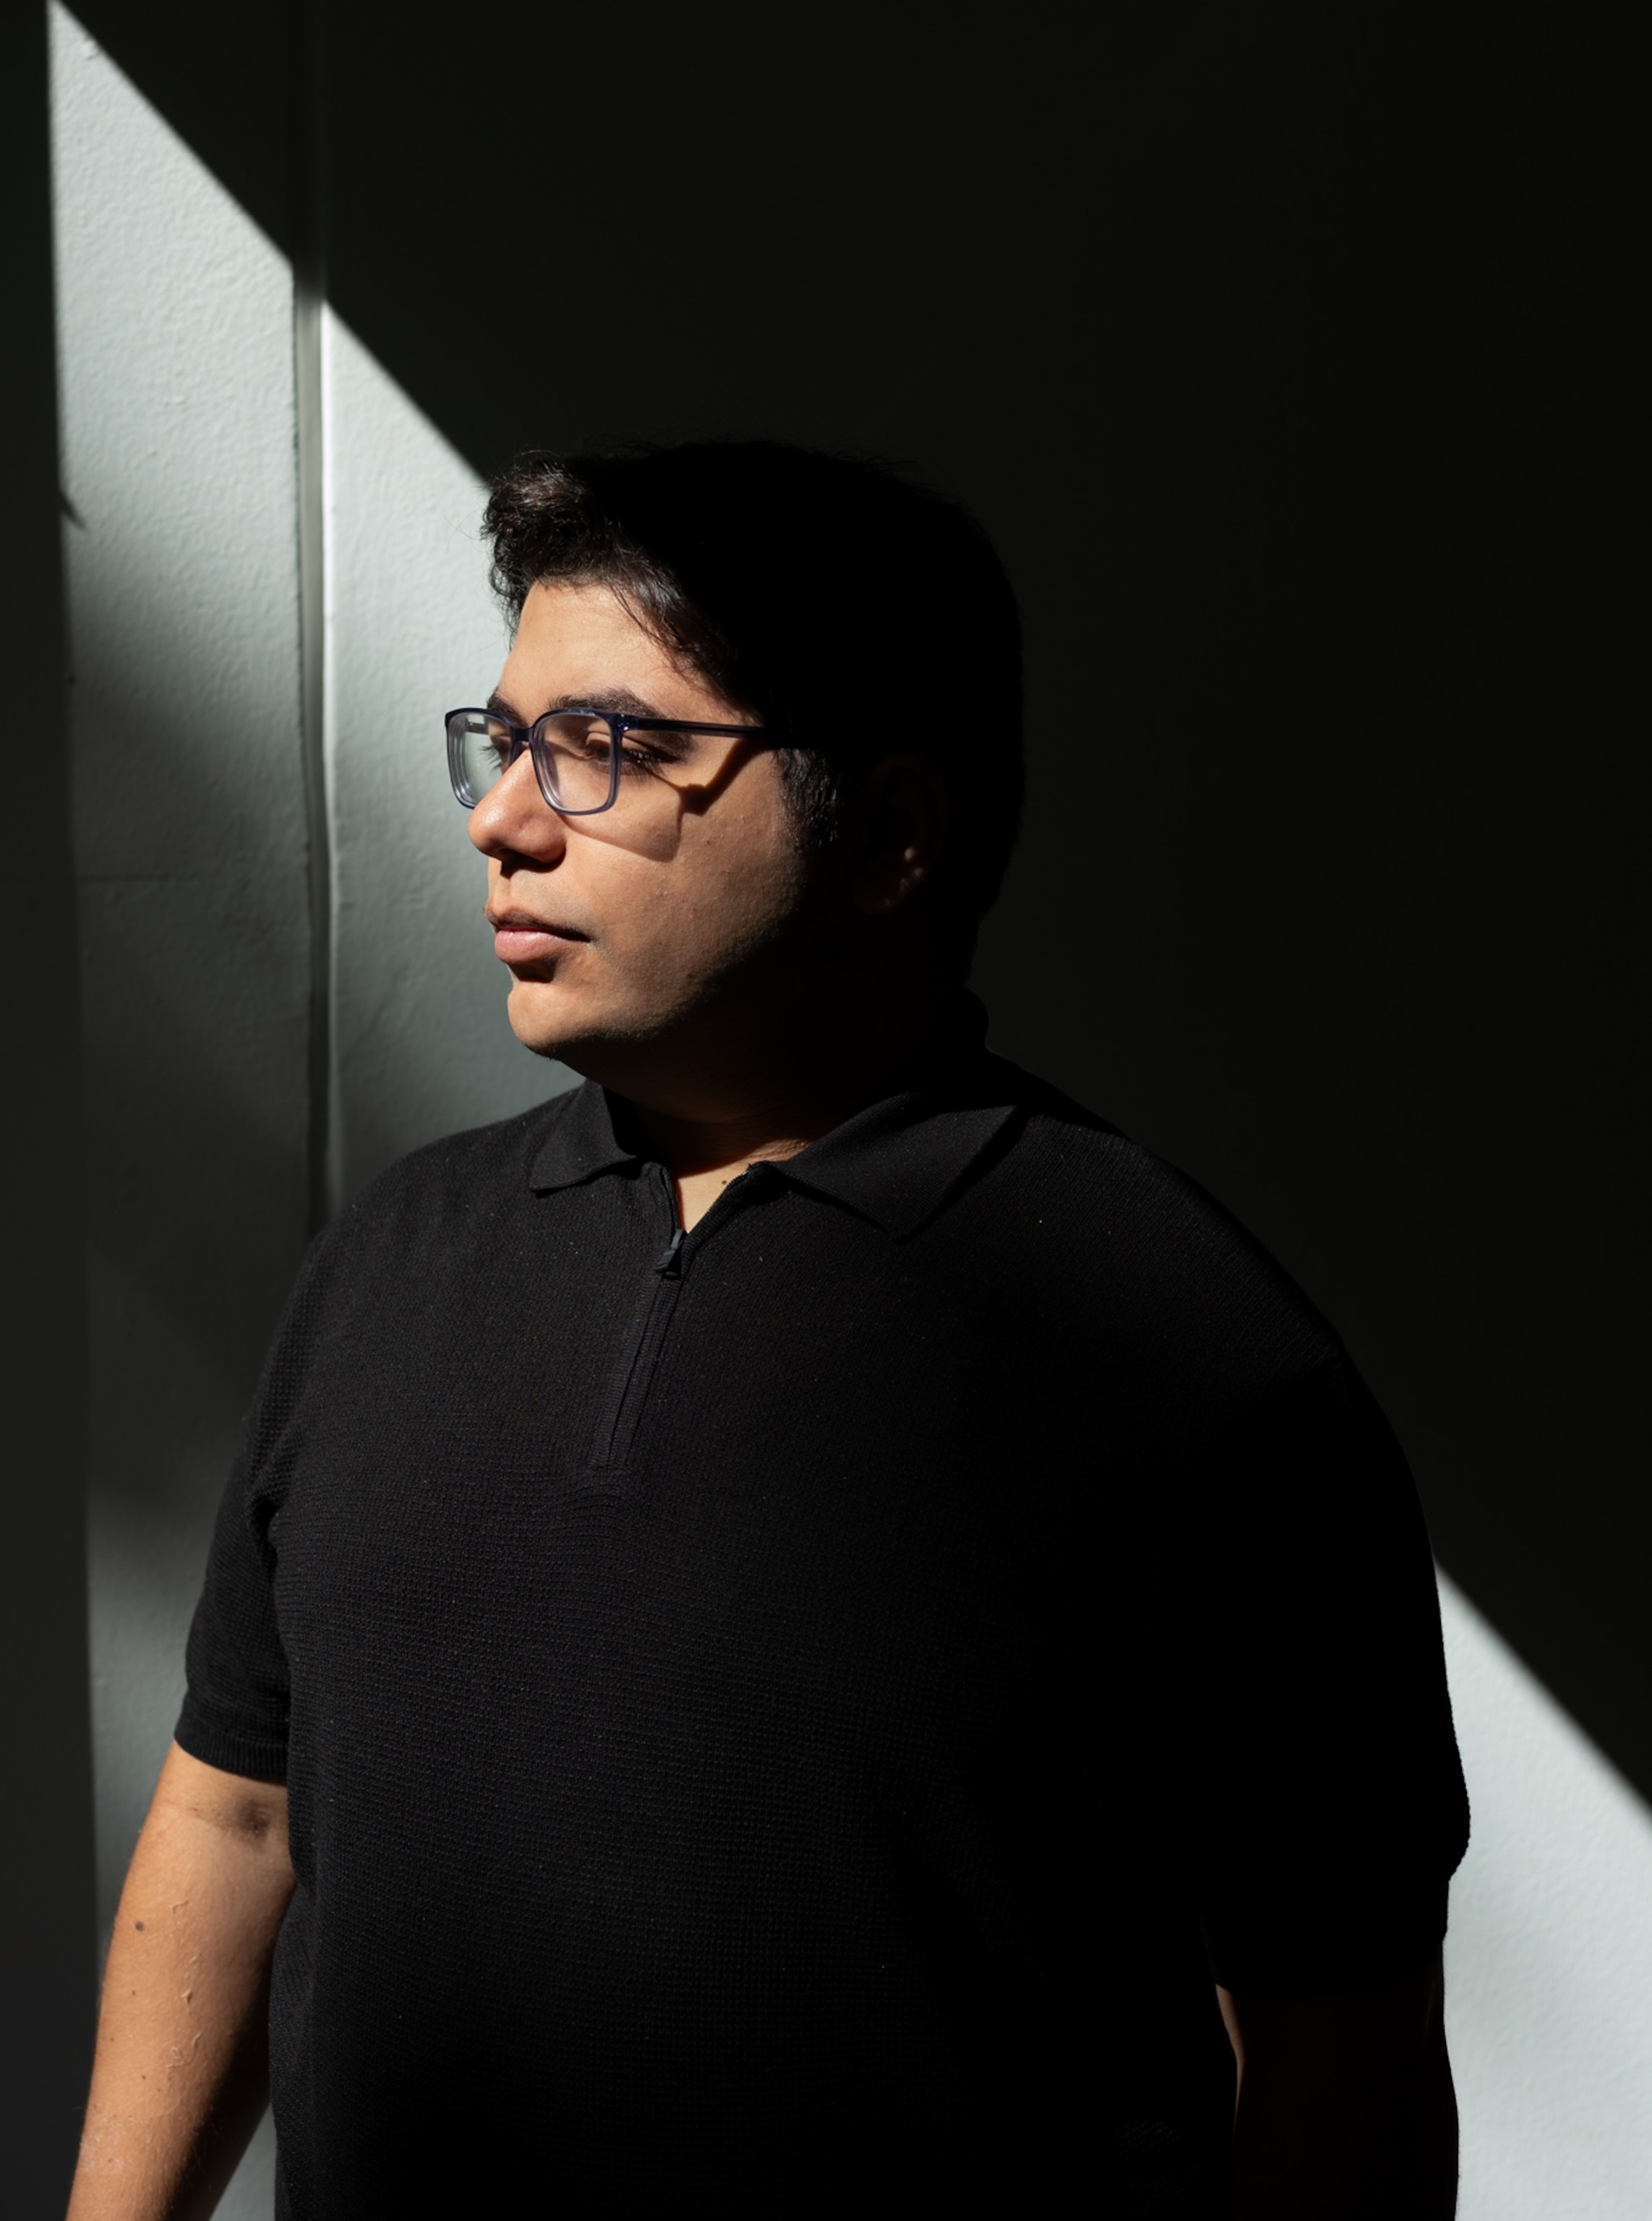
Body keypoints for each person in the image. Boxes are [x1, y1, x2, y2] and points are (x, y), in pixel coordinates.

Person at [66, 442, 1468, 2220]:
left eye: (611, 749)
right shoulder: (389, 1265)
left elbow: (1337, 2047)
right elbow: (238, 1812)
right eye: (506, 743)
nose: (503, 817)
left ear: (887, 831)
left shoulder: (1189, 1356)